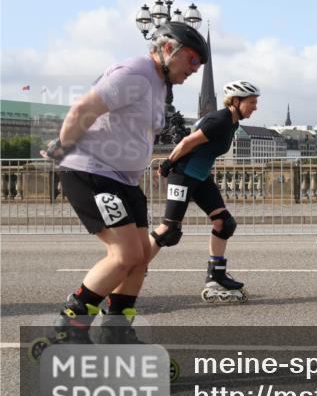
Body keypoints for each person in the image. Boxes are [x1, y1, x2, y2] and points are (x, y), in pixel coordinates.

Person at [30, 22, 206, 359]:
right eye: (193, 59)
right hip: (92, 172)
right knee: (124, 255)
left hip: (123, 180)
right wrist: (62, 145)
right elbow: (84, 109)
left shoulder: (158, 85)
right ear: (167, 49)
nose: (195, 69)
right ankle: (70, 326)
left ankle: (116, 330)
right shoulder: (135, 72)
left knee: (140, 257)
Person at [149, 80, 260, 303]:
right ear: (236, 101)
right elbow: (187, 142)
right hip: (183, 175)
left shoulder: (233, 123)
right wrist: (168, 163)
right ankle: (129, 266)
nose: (255, 107)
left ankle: (215, 277)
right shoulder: (219, 120)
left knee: (224, 223)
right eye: (251, 102)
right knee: (169, 230)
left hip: (200, 176)